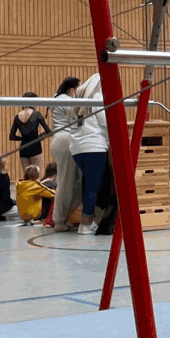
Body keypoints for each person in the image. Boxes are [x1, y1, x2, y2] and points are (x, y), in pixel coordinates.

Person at [69, 73, 109, 237]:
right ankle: (85, 223)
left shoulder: (78, 100)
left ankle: (85, 221)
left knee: (88, 185)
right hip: (94, 146)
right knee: (93, 187)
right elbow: (107, 122)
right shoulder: (97, 98)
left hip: (77, 148)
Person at [47, 76, 83, 232]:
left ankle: (65, 216)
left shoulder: (57, 98)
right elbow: (77, 120)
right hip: (65, 141)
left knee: (75, 181)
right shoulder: (66, 100)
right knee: (65, 182)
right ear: (72, 89)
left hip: (62, 141)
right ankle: (59, 220)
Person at [9, 92, 51, 174]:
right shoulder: (37, 114)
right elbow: (48, 131)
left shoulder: (17, 116)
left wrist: (23, 138)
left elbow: (12, 137)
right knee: (37, 175)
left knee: (26, 176)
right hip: (35, 146)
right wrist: (41, 136)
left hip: (23, 148)